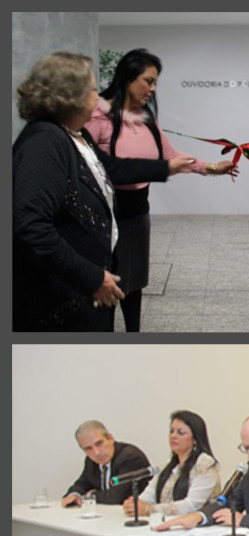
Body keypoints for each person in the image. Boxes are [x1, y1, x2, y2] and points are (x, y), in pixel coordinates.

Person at [13, 51, 195, 331]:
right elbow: (29, 225)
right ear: (68, 96)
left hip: (85, 289)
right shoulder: (43, 143)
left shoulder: (76, 135)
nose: (98, 99)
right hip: (61, 301)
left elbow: (114, 167)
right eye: (93, 90)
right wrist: (92, 277)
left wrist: (165, 168)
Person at [85, 49, 238, 332]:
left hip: (137, 212)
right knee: (106, 284)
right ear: (127, 77)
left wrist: (213, 167)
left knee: (134, 280)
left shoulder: (145, 118)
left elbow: (169, 154)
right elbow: (91, 162)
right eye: (148, 80)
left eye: (156, 82)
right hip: (106, 214)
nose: (153, 88)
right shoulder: (98, 116)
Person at [124, 410, 221, 517]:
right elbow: (150, 493)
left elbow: (192, 505)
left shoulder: (205, 463)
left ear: (195, 439)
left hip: (196, 528)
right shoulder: (171, 461)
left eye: (181, 432)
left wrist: (149, 510)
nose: (173, 436)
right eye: (171, 431)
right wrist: (134, 504)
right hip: (168, 524)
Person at [61, 420, 151, 507]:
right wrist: (75, 494)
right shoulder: (91, 460)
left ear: (110, 438)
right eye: (88, 448)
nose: (97, 452)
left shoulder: (130, 457)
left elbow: (116, 497)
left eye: (99, 443)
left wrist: (89, 495)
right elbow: (82, 483)